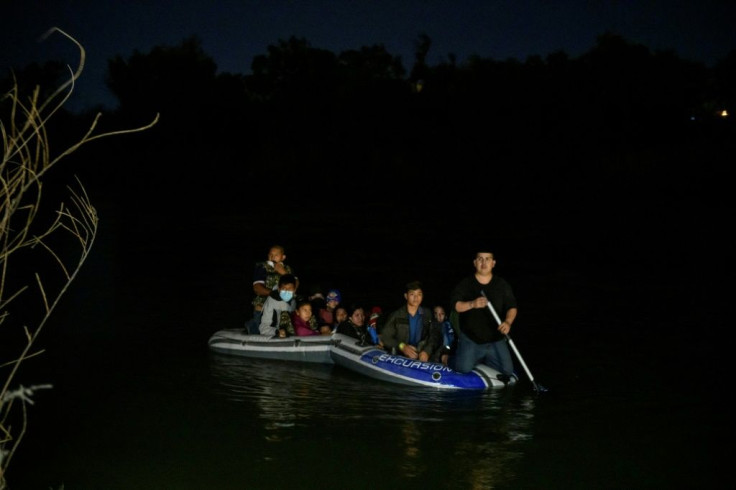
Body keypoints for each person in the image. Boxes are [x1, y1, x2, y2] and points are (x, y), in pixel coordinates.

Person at [450, 249, 518, 377]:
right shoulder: (466, 283)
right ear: (475, 262)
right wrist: (472, 304)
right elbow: (456, 306)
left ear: (493, 263)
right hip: (471, 338)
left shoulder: (502, 284)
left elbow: (512, 307)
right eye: (480, 259)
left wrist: (508, 322)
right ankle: (447, 358)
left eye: (487, 259)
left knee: (507, 371)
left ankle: (484, 358)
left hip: (495, 339)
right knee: (463, 368)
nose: (484, 262)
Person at [380, 281, 441, 362]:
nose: (416, 298)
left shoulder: (427, 314)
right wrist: (403, 347)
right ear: (406, 296)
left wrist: (427, 351)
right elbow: (385, 336)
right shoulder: (397, 315)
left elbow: (434, 335)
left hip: (421, 357)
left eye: (419, 294)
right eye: (412, 294)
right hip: (400, 357)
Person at [245, 245, 298, 334]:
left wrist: (284, 273)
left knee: (284, 331)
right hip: (263, 309)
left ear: (283, 257)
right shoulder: (262, 267)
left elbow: (296, 284)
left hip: (282, 309)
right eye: (271, 255)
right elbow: (257, 288)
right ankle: (252, 324)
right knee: (259, 332)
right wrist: (272, 293)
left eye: (276, 255)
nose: (273, 257)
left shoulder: (288, 269)